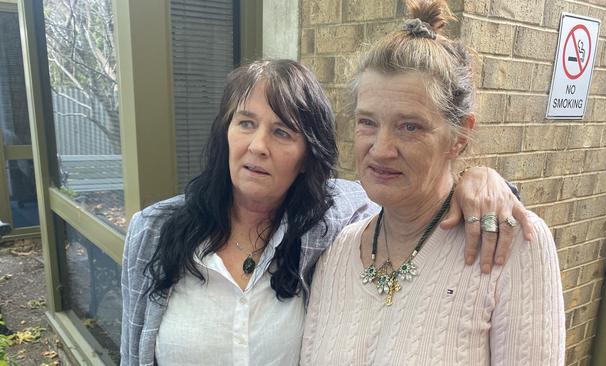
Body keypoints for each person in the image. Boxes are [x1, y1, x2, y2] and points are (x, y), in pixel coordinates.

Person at [120, 60, 529, 366]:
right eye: (246, 123)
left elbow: (413, 202)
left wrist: (481, 181)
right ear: (225, 132)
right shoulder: (155, 231)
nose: (258, 145)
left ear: (307, 155)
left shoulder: (334, 220)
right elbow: (132, 350)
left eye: (282, 132)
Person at [300, 1, 565, 365]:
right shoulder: (337, 252)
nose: (381, 149)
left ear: (459, 137)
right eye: (367, 122)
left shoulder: (513, 245)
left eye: (410, 126)